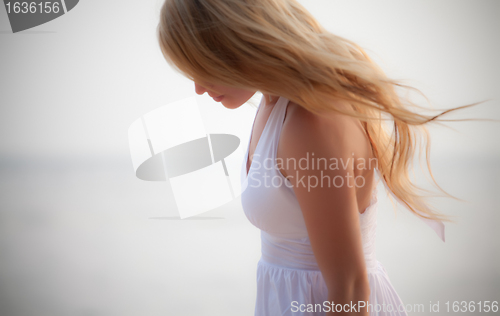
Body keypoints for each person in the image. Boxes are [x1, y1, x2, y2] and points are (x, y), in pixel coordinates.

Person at [156, 0, 487, 315]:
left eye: (201, 66)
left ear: (238, 44)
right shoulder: (272, 106)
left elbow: (350, 287)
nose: (198, 87)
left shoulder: (309, 122)